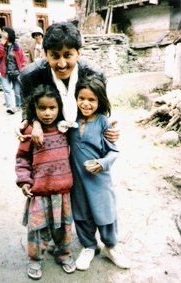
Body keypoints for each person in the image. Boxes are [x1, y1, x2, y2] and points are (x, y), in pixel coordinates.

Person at [16, 21, 119, 145]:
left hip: (83, 134)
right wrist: (28, 123)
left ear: (78, 53)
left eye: (68, 55)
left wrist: (108, 128)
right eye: (55, 56)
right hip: (50, 135)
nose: (62, 64)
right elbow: (29, 110)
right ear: (45, 54)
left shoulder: (94, 74)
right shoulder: (30, 76)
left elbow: (100, 110)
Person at [68, 75, 131, 271]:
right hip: (77, 179)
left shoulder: (103, 122)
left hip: (99, 179)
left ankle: (111, 247)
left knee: (105, 213)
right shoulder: (70, 120)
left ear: (100, 101)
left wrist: (101, 164)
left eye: (92, 100)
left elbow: (113, 152)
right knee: (82, 213)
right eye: (81, 98)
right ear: (75, 99)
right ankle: (89, 247)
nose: (85, 104)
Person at [15, 84, 76, 280]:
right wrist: (24, 180)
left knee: (63, 227)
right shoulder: (31, 132)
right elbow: (22, 159)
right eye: (42, 108)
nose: (47, 113)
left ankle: (62, 253)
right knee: (38, 228)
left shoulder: (65, 129)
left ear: (60, 108)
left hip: (62, 190)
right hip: (39, 191)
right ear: (34, 109)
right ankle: (35, 258)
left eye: (52, 108)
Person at [0, 26, 27, 114]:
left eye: (4, 32)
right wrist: (1, 44)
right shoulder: (0, 45)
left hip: (16, 72)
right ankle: (10, 107)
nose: (2, 34)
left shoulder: (16, 46)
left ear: (9, 34)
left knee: (17, 91)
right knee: (6, 89)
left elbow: (23, 59)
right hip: (5, 72)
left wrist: (22, 68)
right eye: (2, 32)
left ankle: (18, 106)